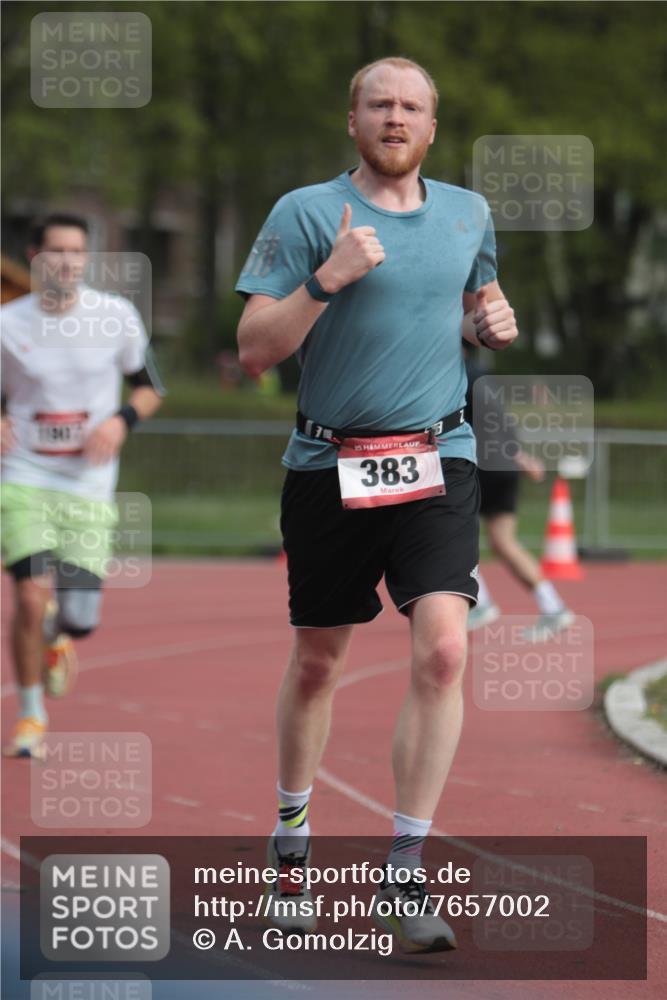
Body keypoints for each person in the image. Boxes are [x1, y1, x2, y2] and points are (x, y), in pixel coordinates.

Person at [235, 57, 518, 954]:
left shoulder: (470, 214)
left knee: (442, 649)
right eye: (378, 104)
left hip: (439, 453)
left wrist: (488, 322)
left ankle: (403, 869)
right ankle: (291, 847)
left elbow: (469, 306)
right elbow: (251, 350)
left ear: (433, 127)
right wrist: (326, 279)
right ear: (351, 120)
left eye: (411, 107)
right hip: (329, 463)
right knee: (319, 662)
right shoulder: (305, 213)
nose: (394, 118)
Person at [1, 213, 164, 758]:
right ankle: (30, 717)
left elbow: (149, 387)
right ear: (35, 257)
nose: (67, 262)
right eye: (56, 251)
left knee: (80, 619)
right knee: (28, 595)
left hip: (87, 486)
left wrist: (121, 421)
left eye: (76, 252)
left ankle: (58, 635)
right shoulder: (8, 323)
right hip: (22, 476)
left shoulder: (114, 317)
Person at [464, 348, 574, 639]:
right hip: (502, 463)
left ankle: (482, 603)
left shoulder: (457, 372)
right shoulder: (481, 375)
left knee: (453, 532)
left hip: (479, 462)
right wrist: (518, 454)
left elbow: (486, 421)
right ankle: (553, 607)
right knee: (503, 542)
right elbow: (500, 419)